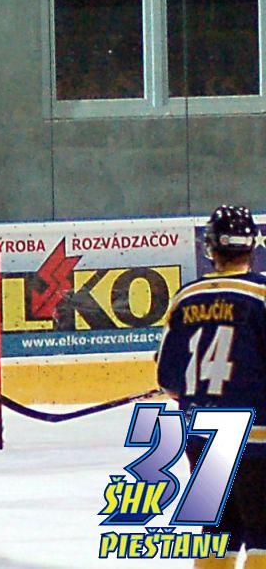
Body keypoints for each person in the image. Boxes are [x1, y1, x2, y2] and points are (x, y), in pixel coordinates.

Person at [157, 205, 266, 569]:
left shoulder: (185, 297)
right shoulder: (262, 295)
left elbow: (168, 380)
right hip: (257, 438)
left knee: (217, 536)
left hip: (202, 435)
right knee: (263, 541)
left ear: (211, 247)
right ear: (252, 245)